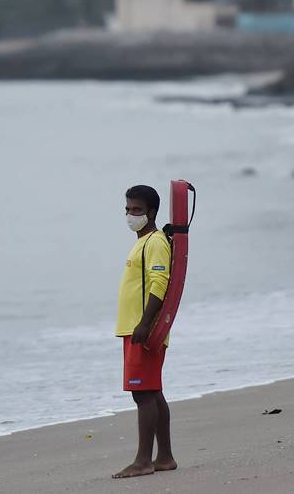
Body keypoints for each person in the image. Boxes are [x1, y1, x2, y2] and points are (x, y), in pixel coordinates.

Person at [112, 184, 177, 479]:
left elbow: (159, 283)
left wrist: (144, 323)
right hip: (135, 328)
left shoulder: (155, 242)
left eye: (136, 210)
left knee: (143, 394)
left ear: (151, 212)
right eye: (127, 209)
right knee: (152, 391)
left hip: (143, 330)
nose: (130, 214)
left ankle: (143, 461)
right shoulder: (143, 241)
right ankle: (164, 457)